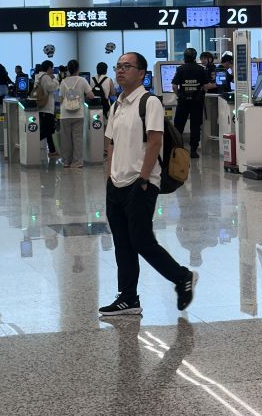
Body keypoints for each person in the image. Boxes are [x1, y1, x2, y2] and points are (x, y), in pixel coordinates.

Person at [99, 52, 197, 317]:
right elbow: (111, 143)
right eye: (118, 67)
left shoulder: (149, 102)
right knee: (122, 243)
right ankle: (128, 297)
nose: (120, 71)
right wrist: (109, 176)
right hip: (116, 184)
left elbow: (155, 141)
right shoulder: (117, 105)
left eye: (127, 66)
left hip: (141, 183)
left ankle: (182, 277)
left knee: (141, 240)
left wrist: (143, 177)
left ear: (141, 73)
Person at [172, 48, 209, 158]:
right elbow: (206, 86)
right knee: (195, 126)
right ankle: (193, 150)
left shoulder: (180, 69)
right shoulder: (201, 69)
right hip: (197, 102)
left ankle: (177, 149)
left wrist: (179, 95)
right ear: (195, 57)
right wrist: (201, 93)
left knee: (178, 126)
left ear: (184, 57)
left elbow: (174, 86)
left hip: (183, 102)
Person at [59, 59, 95, 168]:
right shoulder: (82, 80)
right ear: (78, 69)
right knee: (77, 139)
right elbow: (91, 95)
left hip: (65, 114)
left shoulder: (63, 82)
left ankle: (66, 162)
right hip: (78, 114)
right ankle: (77, 162)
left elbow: (60, 98)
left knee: (66, 139)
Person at [35, 60, 60, 157]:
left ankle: (52, 150)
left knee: (47, 130)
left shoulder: (38, 76)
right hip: (47, 108)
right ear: (49, 68)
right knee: (49, 130)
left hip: (42, 107)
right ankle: (32, 140)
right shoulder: (46, 77)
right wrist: (54, 79)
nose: (53, 70)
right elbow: (52, 88)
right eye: (52, 68)